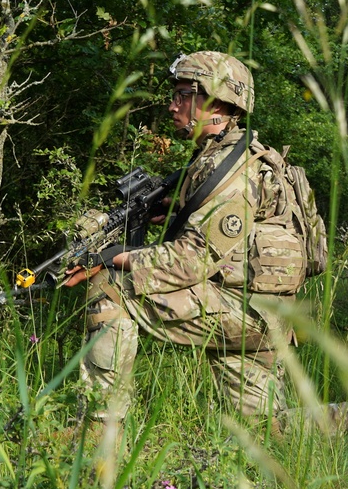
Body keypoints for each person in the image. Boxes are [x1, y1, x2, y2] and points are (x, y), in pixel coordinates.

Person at [63, 51, 309, 426]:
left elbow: (193, 261)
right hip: (262, 310)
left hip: (246, 309)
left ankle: (97, 431)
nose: (171, 106)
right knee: (265, 431)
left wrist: (114, 256)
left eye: (181, 95)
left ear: (213, 101)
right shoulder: (233, 156)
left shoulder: (232, 171)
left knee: (112, 288)